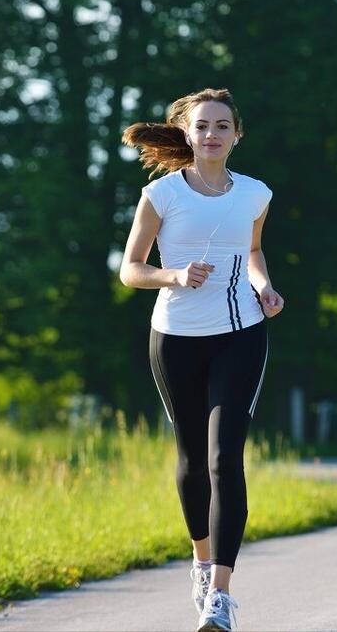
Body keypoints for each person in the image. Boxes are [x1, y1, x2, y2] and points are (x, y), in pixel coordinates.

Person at [120, 88, 283, 630]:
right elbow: (131, 269)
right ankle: (200, 559)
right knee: (192, 458)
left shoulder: (255, 194)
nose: (211, 134)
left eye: (221, 126)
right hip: (175, 337)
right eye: (202, 126)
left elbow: (253, 251)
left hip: (241, 332)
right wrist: (174, 275)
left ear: (237, 134)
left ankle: (220, 595)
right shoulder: (162, 195)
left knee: (223, 458)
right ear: (186, 134)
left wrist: (264, 287)